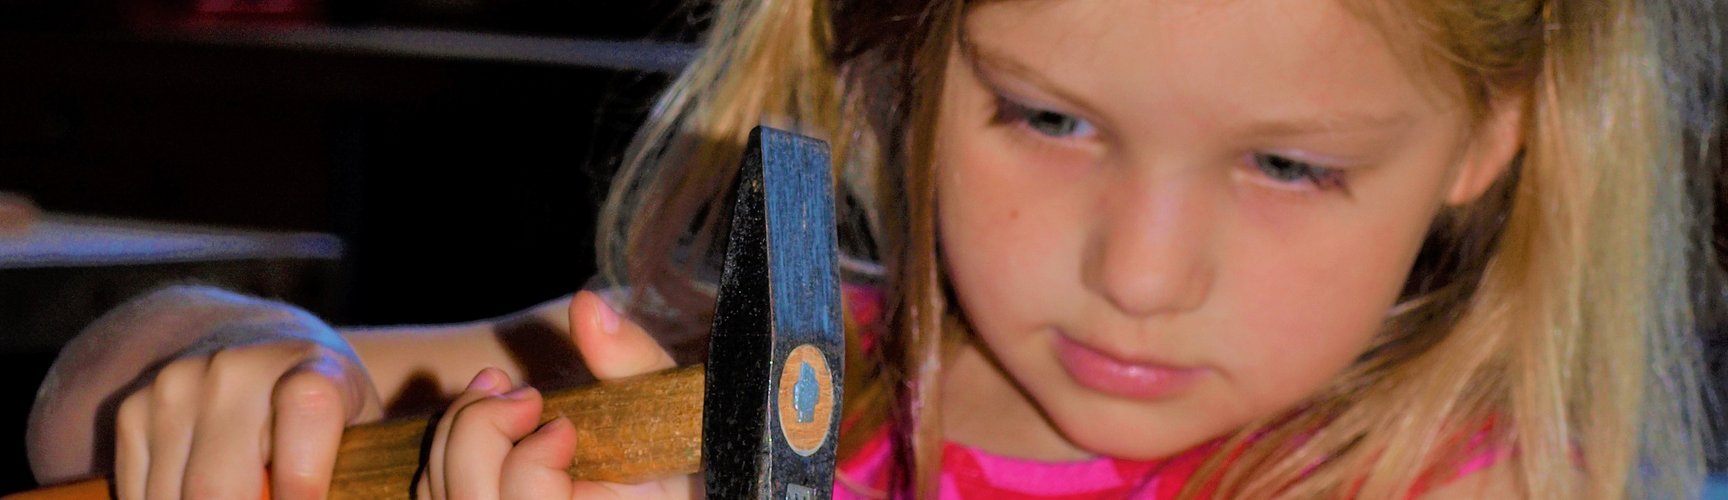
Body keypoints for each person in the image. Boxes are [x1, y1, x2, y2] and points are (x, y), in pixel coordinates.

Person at [24, 0, 1724, 497]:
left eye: (1286, 163)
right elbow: (89, 398)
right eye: (1047, 119)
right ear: (907, 57)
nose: (1139, 272)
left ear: (1491, 137)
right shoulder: (747, 376)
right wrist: (233, 381)